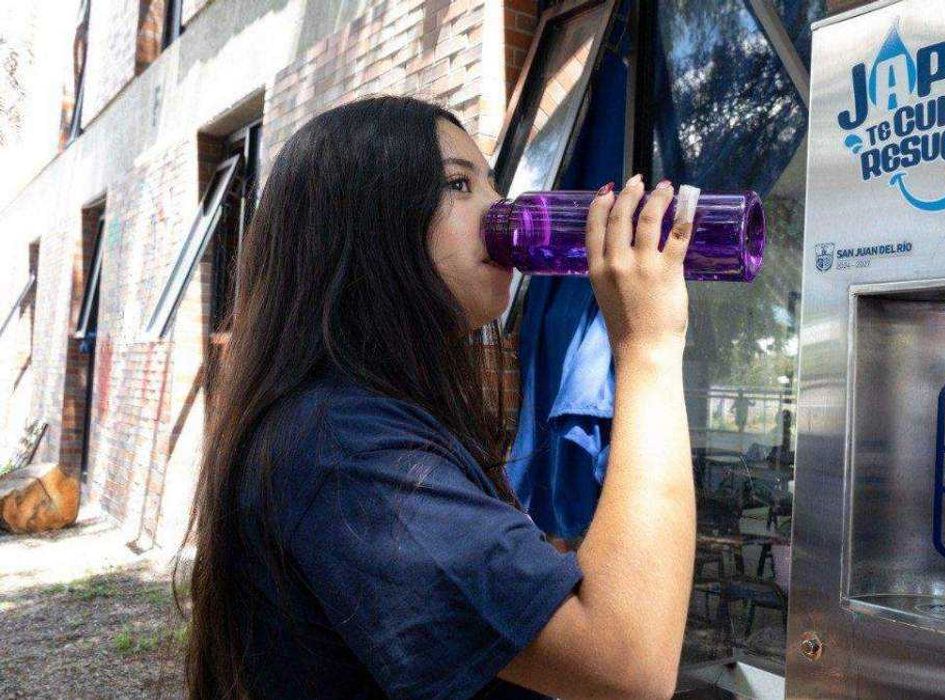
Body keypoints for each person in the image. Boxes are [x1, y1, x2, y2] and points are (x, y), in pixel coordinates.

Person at [178, 95, 695, 699]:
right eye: (457, 184)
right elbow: (625, 666)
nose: (502, 210)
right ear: (364, 225)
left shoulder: (363, 420)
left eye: (495, 185)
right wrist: (648, 346)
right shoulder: (345, 449)